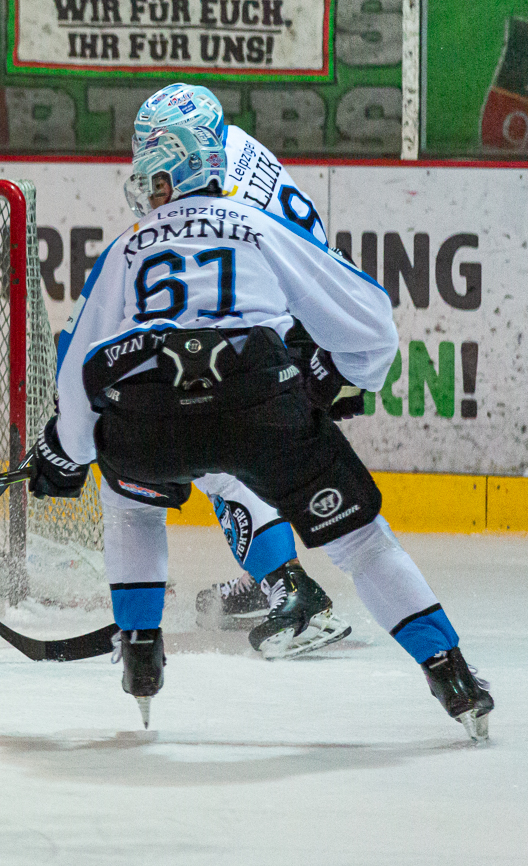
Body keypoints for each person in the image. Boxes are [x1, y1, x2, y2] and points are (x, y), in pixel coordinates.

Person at [33, 119, 494, 740]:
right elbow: (370, 327)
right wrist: (338, 375)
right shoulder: (258, 221)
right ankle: (451, 673)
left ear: (171, 173)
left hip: (152, 428)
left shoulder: (128, 246)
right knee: (361, 543)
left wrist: (68, 452)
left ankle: (141, 651)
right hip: (260, 413)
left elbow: (81, 368)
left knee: (131, 506)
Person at [126, 83, 351, 659]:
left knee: (215, 447)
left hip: (282, 330)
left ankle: (292, 589)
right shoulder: (234, 149)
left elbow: (198, 286)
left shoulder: (215, 190)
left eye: (155, 146)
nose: (146, 159)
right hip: (304, 321)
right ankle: (270, 575)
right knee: (234, 453)